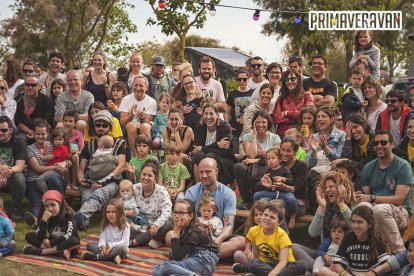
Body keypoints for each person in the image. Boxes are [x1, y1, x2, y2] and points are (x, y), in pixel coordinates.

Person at [356, 130, 412, 254]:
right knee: (361, 208)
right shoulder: (368, 167)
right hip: (376, 208)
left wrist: (371, 198)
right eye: (376, 143)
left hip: (401, 211)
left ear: (391, 145)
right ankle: (365, 253)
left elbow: (399, 199)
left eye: (383, 142)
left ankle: (399, 255)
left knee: (379, 210)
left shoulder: (403, 166)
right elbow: (366, 198)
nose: (379, 146)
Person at [292, 171, 356, 272]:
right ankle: (321, 271)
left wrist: (341, 204)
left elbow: (355, 228)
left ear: (342, 188)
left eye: (331, 187)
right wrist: (322, 207)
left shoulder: (354, 206)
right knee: (294, 247)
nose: (327, 190)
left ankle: (323, 272)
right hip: (325, 254)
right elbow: (313, 233)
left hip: (346, 256)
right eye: (326, 187)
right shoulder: (325, 206)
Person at [184, 157, 245, 259]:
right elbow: (186, 219)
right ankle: (209, 256)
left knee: (241, 242)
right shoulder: (191, 192)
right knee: (171, 235)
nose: (204, 175)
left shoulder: (228, 194)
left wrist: (219, 239)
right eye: (201, 172)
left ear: (216, 171)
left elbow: (229, 225)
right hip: (195, 235)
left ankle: (197, 255)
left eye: (208, 172)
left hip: (217, 235)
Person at [76, 111, 126, 230]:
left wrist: (103, 182)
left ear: (109, 127)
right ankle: (83, 223)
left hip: (112, 181)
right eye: (98, 125)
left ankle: (78, 217)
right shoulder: (90, 145)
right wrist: (80, 179)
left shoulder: (118, 144)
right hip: (91, 179)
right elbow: (82, 167)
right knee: (86, 196)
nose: (101, 128)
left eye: (104, 125)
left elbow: (121, 166)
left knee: (99, 193)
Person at [232, 201, 307, 276]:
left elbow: (283, 262)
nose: (267, 218)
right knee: (253, 263)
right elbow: (256, 256)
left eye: (272, 217)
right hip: (266, 264)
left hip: (284, 266)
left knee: (302, 265)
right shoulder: (254, 231)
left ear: (279, 222)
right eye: (265, 215)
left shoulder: (282, 236)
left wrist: (272, 274)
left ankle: (247, 269)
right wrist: (254, 265)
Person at [153, 199, 220, 276]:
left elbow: (176, 257)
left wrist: (176, 232)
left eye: (181, 213)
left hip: (204, 261)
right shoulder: (183, 226)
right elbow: (175, 255)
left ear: (190, 216)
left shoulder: (196, 231)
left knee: (165, 266)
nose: (177, 216)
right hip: (192, 259)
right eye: (175, 212)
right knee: (157, 268)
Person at [321, 206, 389, 276]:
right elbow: (337, 263)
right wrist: (344, 274)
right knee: (322, 271)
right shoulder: (348, 238)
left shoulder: (378, 240)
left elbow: (386, 264)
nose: (355, 226)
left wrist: (374, 272)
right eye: (353, 222)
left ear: (370, 224)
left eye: (360, 222)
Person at [235, 110, 281, 210]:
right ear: (254, 123)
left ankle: (260, 201)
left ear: (268, 123)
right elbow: (251, 155)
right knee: (239, 167)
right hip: (251, 167)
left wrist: (256, 161)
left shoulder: (275, 138)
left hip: (268, 166)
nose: (261, 125)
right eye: (258, 122)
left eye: (263, 122)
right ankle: (247, 201)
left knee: (264, 171)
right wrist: (254, 136)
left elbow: (275, 158)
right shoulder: (247, 136)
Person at [307, 106, 346, 214]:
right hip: (317, 168)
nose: (320, 119)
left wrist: (325, 148)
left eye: (323, 116)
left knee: (321, 179)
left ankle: (328, 211)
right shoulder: (314, 137)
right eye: (318, 117)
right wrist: (314, 152)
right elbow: (309, 164)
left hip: (333, 168)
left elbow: (341, 159)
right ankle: (316, 212)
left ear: (332, 118)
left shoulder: (341, 136)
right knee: (311, 176)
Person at [23, 190, 80, 259]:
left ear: (60, 204)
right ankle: (59, 252)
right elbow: (39, 237)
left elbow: (69, 235)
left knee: (74, 240)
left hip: (65, 242)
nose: (50, 209)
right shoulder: (45, 215)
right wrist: (44, 221)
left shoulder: (68, 214)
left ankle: (43, 252)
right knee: (29, 235)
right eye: (46, 206)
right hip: (52, 243)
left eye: (53, 205)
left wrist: (51, 243)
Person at [129, 160, 173, 249]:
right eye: (144, 174)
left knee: (168, 226)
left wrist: (157, 224)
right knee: (125, 227)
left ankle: (135, 242)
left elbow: (167, 211)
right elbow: (122, 202)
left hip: (157, 227)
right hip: (140, 226)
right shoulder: (134, 189)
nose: (146, 177)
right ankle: (152, 240)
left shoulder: (162, 191)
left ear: (155, 178)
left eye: (150, 175)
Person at [192, 102, 237, 185]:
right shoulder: (200, 126)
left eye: (211, 113)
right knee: (199, 155)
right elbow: (196, 149)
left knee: (210, 156)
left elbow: (224, 152)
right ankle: (198, 188)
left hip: (225, 163)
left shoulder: (225, 126)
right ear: (202, 115)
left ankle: (214, 188)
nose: (208, 117)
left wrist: (203, 148)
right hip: (205, 159)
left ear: (217, 114)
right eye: (206, 114)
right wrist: (217, 145)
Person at [255, 148, 296, 229]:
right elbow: (260, 185)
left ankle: (293, 216)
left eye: (273, 158)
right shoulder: (267, 170)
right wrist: (265, 184)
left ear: (280, 159)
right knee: (257, 195)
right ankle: (258, 215)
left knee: (291, 198)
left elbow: (291, 181)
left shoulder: (284, 168)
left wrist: (283, 179)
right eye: (268, 159)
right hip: (272, 193)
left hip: (283, 193)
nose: (270, 160)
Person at [81, 198, 129, 264]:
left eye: (113, 212)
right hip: (105, 248)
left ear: (120, 213)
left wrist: (111, 246)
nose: (110, 214)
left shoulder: (125, 225)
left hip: (118, 248)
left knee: (123, 248)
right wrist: (103, 246)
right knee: (89, 244)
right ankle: (113, 257)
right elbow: (102, 238)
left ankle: (96, 257)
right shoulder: (105, 224)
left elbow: (125, 242)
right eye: (108, 212)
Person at [119, 76, 157, 156]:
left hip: (146, 128)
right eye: (135, 85)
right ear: (132, 87)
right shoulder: (126, 99)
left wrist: (143, 118)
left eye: (141, 85)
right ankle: (136, 156)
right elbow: (122, 123)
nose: (138, 88)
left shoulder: (152, 101)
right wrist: (131, 116)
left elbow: (149, 122)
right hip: (129, 129)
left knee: (144, 126)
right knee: (131, 125)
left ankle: (146, 156)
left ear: (146, 88)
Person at [273, 69, 314, 137]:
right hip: (283, 135)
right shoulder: (281, 97)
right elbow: (276, 118)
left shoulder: (307, 95)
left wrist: (287, 113)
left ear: (298, 79)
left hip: (301, 135)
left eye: (292, 79)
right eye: (286, 79)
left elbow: (307, 115)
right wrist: (296, 120)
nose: (289, 82)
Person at [0, 116, 26, 222]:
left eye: (4, 130)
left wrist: (5, 173)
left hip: (11, 178)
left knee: (19, 178)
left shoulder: (19, 142)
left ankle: (16, 211)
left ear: (11, 130)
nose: (0, 133)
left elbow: (20, 166)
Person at [15, 74, 54, 142]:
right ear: (24, 86)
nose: (30, 87)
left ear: (39, 86)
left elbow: (49, 121)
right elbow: (18, 122)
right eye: (27, 84)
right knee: (20, 140)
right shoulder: (17, 100)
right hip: (25, 131)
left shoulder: (46, 100)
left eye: (33, 85)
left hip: (43, 131)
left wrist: (39, 133)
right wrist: (31, 132)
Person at [226, 69, 254, 153]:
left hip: (250, 130)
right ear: (236, 80)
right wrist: (227, 125)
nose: (242, 81)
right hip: (236, 131)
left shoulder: (254, 93)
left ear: (248, 79)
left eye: (244, 79)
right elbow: (228, 112)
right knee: (236, 155)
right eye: (239, 79)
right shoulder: (232, 94)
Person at [36, 127, 70, 194]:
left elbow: (50, 157)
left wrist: (42, 157)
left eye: (60, 139)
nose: (57, 141)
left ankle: (47, 195)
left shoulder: (61, 148)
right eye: (55, 139)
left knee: (40, 180)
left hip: (56, 170)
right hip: (55, 170)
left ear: (64, 140)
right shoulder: (58, 147)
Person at [233, 199, 268, 264]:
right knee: (238, 255)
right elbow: (247, 249)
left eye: (261, 214)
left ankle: (250, 268)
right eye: (256, 215)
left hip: (269, 258)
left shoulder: (271, 230)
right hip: (254, 257)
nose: (258, 217)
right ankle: (253, 266)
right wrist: (251, 257)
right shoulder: (252, 230)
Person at [63, 110, 84, 190]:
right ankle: (67, 183)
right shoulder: (60, 133)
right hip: (63, 155)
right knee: (65, 158)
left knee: (75, 157)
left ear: (75, 123)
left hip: (74, 155)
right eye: (66, 121)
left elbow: (82, 150)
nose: (68, 123)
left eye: (70, 121)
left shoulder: (78, 134)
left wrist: (75, 152)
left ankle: (74, 183)